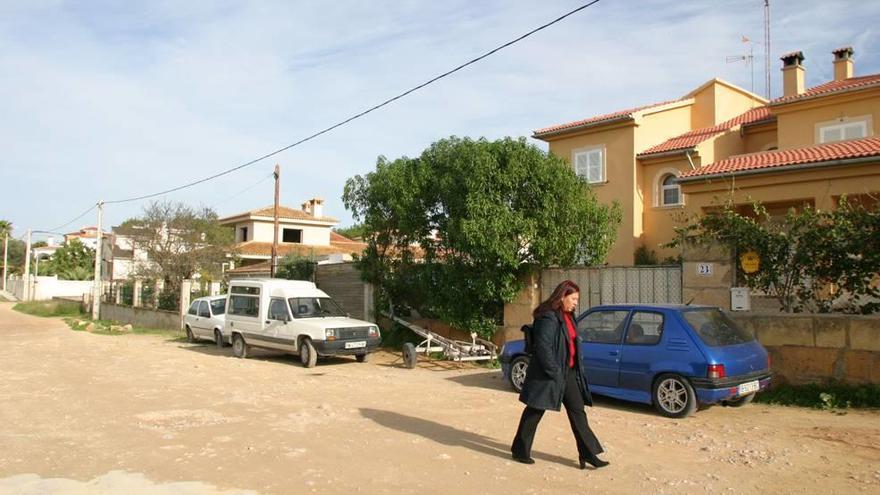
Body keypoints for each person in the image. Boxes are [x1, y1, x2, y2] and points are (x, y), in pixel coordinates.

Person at [510, 279, 609, 469]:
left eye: (577, 299)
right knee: (535, 411)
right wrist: (554, 371)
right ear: (562, 296)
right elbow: (543, 347)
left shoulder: (569, 316)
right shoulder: (548, 316)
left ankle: (588, 454)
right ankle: (520, 450)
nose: (576, 302)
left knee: (578, 411)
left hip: (568, 372)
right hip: (550, 373)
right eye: (573, 298)